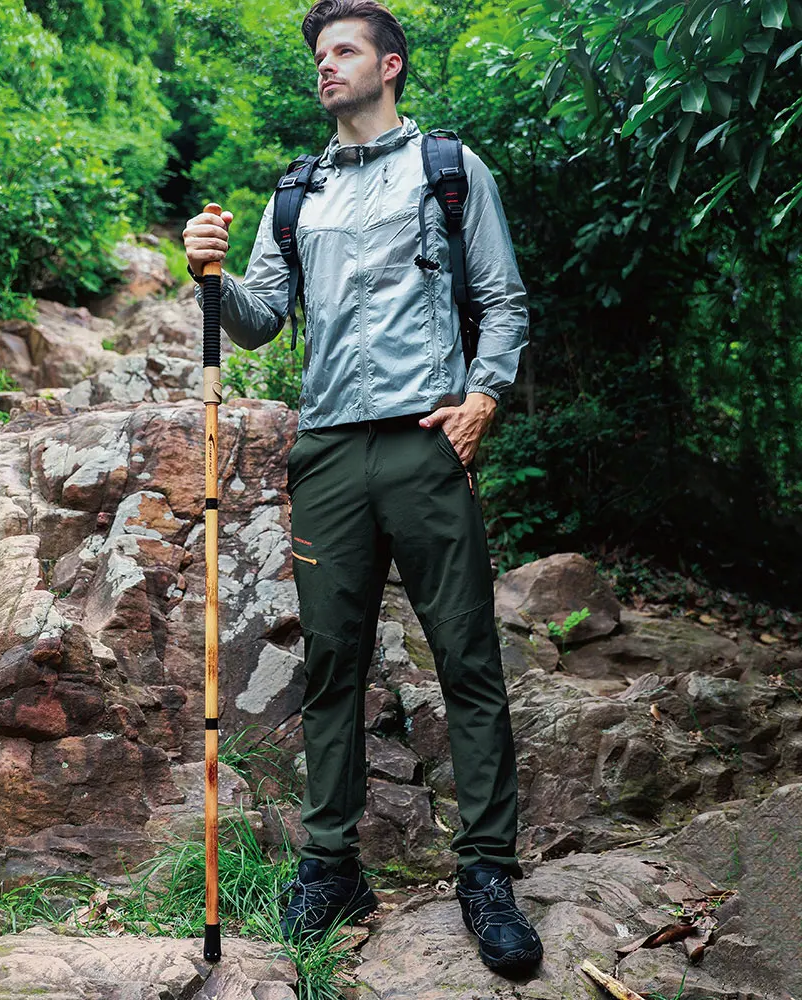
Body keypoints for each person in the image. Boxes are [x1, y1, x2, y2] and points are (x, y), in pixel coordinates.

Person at [183, 0, 543, 976]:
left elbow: (502, 296)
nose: (324, 66)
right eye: (317, 53)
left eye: (342, 50)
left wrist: (482, 396)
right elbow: (257, 319)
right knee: (333, 664)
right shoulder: (294, 194)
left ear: (390, 64)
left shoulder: (450, 168)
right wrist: (208, 276)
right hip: (331, 450)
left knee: (466, 655)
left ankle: (486, 874)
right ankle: (332, 863)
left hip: (427, 441)